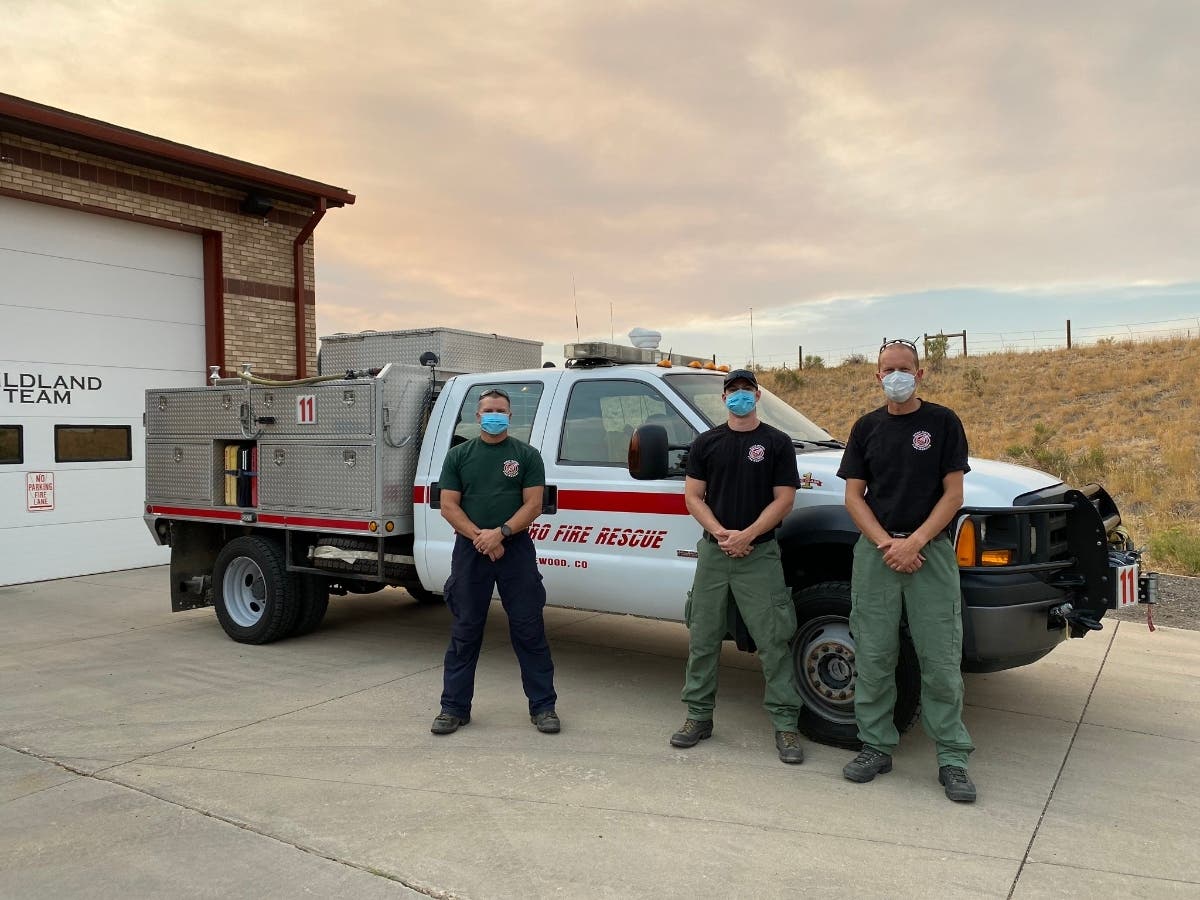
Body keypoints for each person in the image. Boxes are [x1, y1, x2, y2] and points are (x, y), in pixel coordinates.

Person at [837, 339, 976, 802]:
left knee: (939, 660)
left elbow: (952, 495)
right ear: (877, 377)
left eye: (904, 369)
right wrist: (885, 543)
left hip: (928, 552)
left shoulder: (941, 423)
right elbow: (854, 496)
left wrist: (914, 542)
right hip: (877, 553)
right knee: (875, 655)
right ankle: (875, 745)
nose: (895, 376)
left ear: (920, 374)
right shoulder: (866, 428)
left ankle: (952, 758)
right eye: (887, 370)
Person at [670, 369, 806, 764]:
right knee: (703, 637)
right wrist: (721, 533)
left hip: (759, 554)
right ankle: (698, 717)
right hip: (715, 554)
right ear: (723, 396)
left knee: (774, 642)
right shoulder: (707, 443)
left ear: (758, 395)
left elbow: (784, 499)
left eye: (747, 390)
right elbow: (693, 497)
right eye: (733, 390)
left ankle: (785, 726)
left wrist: (747, 535)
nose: (740, 396)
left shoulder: (777, 443)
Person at [430, 388, 560, 735]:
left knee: (529, 630)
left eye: (501, 410)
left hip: (514, 551)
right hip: (471, 551)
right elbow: (448, 505)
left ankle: (543, 707)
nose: (494, 415)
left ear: (510, 416)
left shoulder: (526, 455)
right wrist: (481, 538)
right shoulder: (459, 455)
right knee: (465, 630)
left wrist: (500, 534)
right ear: (477, 415)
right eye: (488, 409)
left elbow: (533, 505)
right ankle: (453, 708)